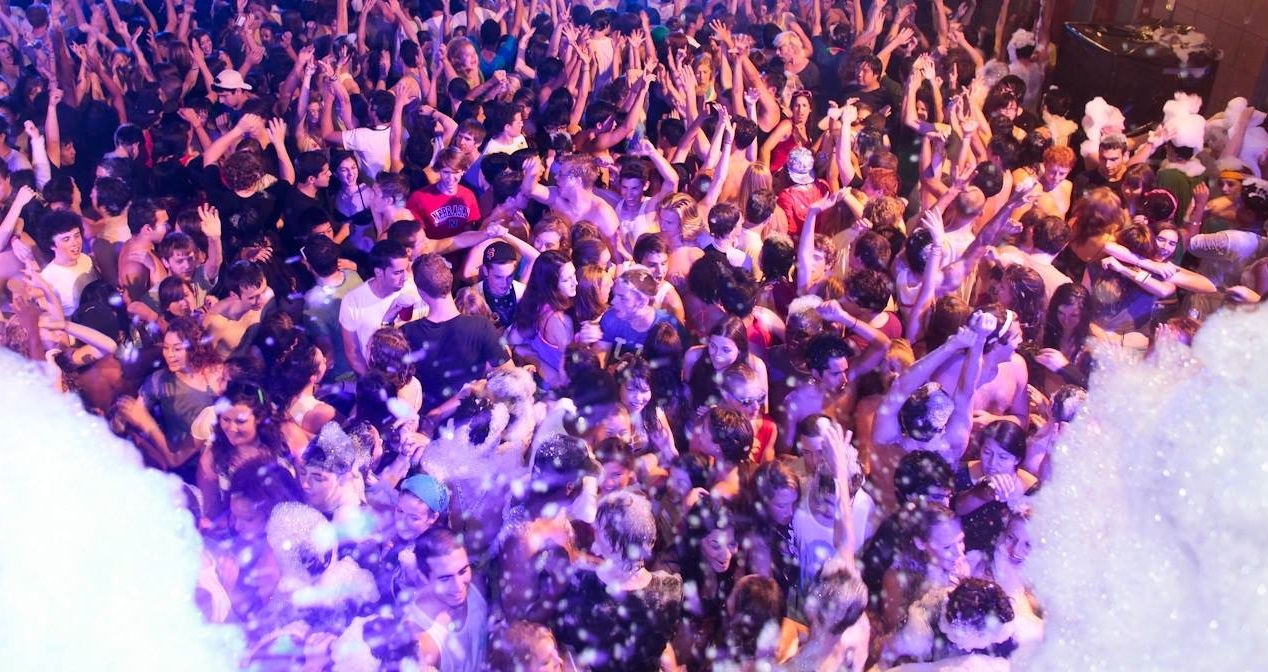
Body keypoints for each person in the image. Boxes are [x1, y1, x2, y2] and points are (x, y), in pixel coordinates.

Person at [553, 491, 683, 672]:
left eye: (598, 529)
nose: (594, 531)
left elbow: (568, 641)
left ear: (609, 542)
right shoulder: (671, 590)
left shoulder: (582, 588)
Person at [402, 253, 510, 411]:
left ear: (421, 292)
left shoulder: (407, 333)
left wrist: (387, 322)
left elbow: (385, 372)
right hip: (471, 419)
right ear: (450, 281)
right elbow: (510, 379)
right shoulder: (482, 327)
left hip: (428, 421)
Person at [338, 240, 422, 376]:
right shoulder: (353, 301)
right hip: (376, 376)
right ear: (379, 272)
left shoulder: (415, 291)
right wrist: (375, 380)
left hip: (412, 375)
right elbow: (353, 352)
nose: (405, 277)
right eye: (397, 272)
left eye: (406, 269)